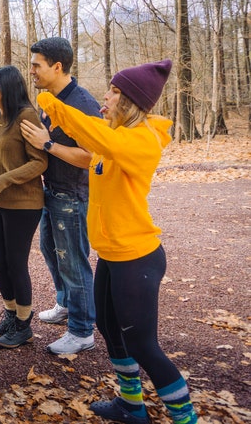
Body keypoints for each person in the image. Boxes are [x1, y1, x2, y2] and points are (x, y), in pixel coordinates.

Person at [38, 60, 198, 424]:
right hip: (110, 256)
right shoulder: (114, 136)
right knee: (111, 332)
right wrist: (58, 121)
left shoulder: (140, 141)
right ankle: (131, 406)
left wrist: (53, 103)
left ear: (128, 101)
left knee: (144, 345)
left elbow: (101, 137)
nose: (104, 99)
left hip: (136, 258)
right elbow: (94, 133)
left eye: (112, 93)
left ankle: (186, 418)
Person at [20, 37, 102, 355]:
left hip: (73, 196)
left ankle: (82, 331)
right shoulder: (50, 100)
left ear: (57, 67)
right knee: (49, 250)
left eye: (36, 65)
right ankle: (66, 304)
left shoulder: (81, 104)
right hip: (51, 192)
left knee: (73, 263)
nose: (32, 72)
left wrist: (48, 145)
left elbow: (92, 156)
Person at [0, 65, 48, 349]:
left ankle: (23, 325)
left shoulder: (26, 116)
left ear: (7, 86)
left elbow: (40, 162)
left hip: (25, 204)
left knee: (16, 264)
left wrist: (3, 181)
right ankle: (10, 314)